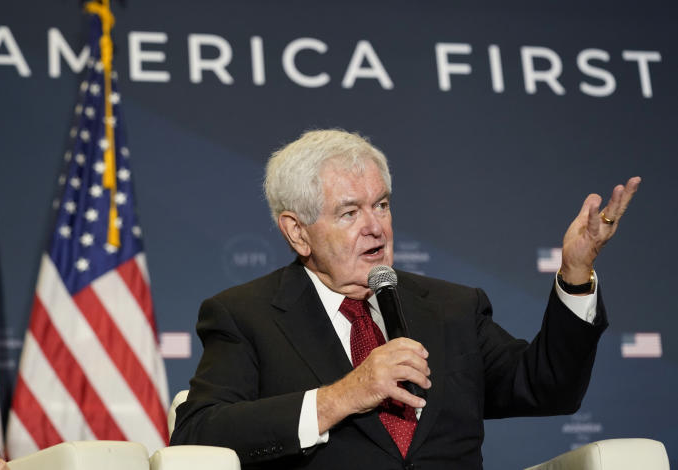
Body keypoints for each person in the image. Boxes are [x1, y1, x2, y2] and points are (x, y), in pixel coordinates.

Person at [171, 129, 640, 470]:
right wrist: (344, 395)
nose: (375, 227)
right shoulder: (245, 315)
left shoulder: (451, 307)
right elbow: (199, 434)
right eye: (349, 212)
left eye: (382, 204)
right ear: (298, 232)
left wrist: (576, 274)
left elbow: (547, 387)